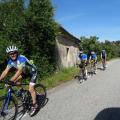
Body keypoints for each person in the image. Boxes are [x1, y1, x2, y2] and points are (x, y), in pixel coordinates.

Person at [0, 45, 38, 116]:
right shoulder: (10, 61)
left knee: (31, 88)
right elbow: (5, 71)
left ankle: (34, 105)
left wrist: (11, 81)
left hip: (32, 72)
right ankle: (22, 92)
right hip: (24, 72)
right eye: (10, 54)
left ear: (17, 53)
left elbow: (19, 71)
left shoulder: (21, 58)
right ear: (8, 55)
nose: (12, 55)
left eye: (14, 53)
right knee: (14, 82)